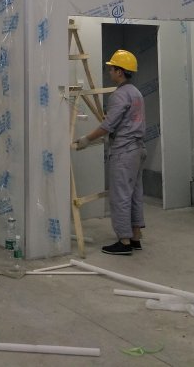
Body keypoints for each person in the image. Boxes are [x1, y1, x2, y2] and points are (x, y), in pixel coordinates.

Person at [72, 49, 146, 256]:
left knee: (120, 196)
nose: (109, 72)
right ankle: (135, 237)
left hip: (124, 152)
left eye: (112, 69)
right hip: (138, 149)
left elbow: (108, 126)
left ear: (120, 71)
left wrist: (86, 139)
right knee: (134, 194)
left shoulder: (119, 95)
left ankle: (124, 241)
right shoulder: (136, 92)